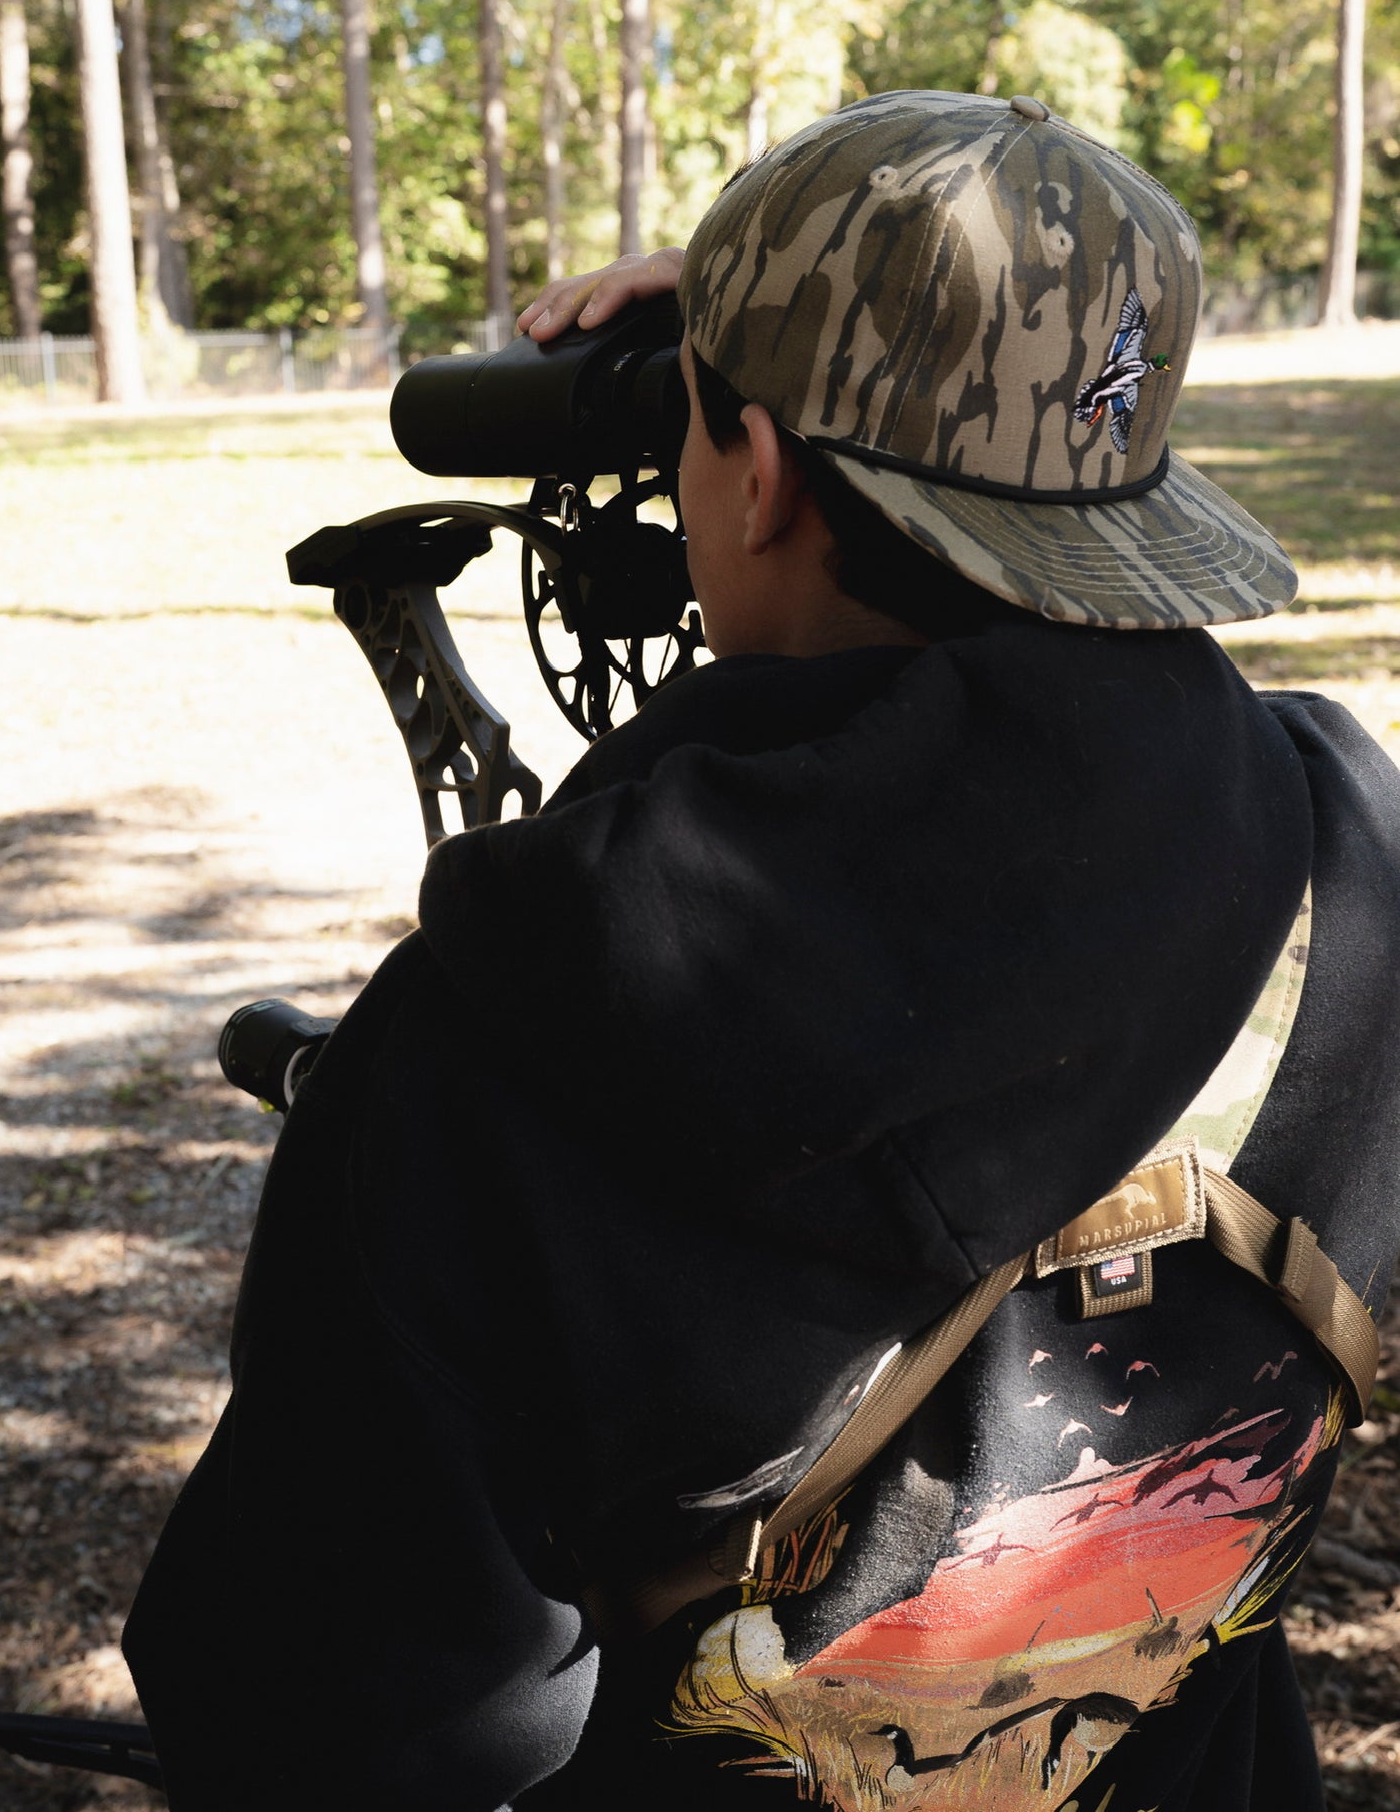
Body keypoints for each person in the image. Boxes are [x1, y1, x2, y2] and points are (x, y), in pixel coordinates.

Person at [124, 90, 1400, 1812]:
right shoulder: (1348, 842)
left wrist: (773, 343)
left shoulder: (503, 1051)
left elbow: (325, 1707)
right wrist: (830, 338)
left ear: (761, 468)